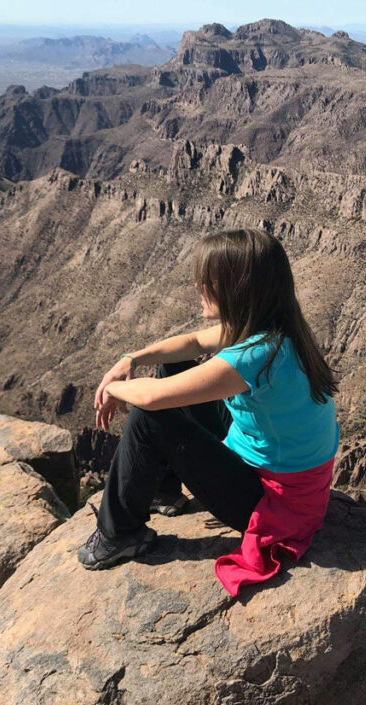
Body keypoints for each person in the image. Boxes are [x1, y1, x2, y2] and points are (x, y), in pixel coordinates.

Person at [78, 227, 341, 596]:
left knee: (149, 416)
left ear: (235, 287)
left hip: (273, 502)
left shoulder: (256, 354)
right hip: (275, 472)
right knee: (176, 366)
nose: (198, 287)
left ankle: (119, 533)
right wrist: (130, 359)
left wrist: (112, 389)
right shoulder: (274, 327)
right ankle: (164, 493)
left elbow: (152, 399)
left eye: (206, 280)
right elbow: (193, 343)